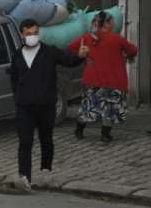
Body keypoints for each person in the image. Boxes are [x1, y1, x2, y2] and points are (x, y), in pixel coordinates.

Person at [9, 19, 88, 192]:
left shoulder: (49, 52)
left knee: (46, 139)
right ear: (22, 35)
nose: (32, 36)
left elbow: (69, 60)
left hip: (46, 105)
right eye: (28, 34)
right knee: (25, 141)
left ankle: (46, 170)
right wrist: (19, 97)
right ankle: (24, 177)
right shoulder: (16, 55)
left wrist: (80, 56)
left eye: (35, 33)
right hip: (24, 107)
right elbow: (14, 79)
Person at [68, 11, 138, 143]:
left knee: (88, 107)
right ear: (106, 23)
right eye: (111, 20)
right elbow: (133, 50)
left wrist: (84, 56)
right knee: (110, 108)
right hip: (113, 80)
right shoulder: (117, 39)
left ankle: (79, 131)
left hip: (92, 79)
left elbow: (70, 48)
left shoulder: (87, 38)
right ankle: (105, 135)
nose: (113, 23)